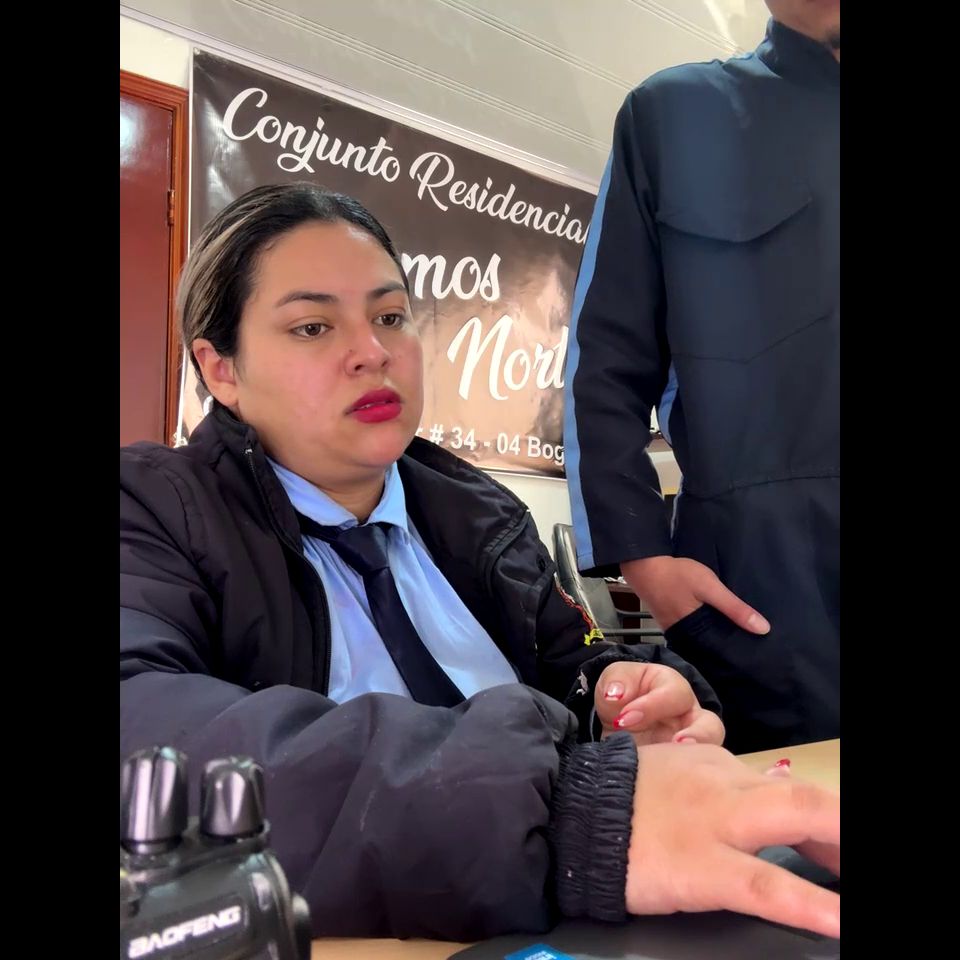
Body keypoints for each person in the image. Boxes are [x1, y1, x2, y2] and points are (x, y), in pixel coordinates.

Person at [121, 182, 839, 942]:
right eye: (312, 327)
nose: (373, 353)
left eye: (390, 317)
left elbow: (588, 662)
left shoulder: (478, 514)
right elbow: (145, 737)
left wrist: (635, 699)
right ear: (221, 369)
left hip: (580, 915)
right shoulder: (153, 507)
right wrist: (570, 814)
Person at [563, 0, 840, 754]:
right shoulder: (673, 117)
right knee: (777, 821)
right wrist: (644, 558)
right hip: (763, 596)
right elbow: (604, 358)